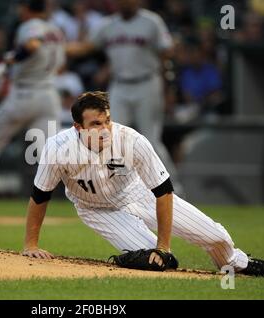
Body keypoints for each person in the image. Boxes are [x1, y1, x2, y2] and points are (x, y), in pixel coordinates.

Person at [21, 91, 264, 277]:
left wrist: (163, 245)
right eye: (96, 124)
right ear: (78, 127)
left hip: (139, 195)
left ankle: (236, 262)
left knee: (216, 236)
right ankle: (135, 258)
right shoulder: (57, 148)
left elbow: (163, 191)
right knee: (155, 262)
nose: (104, 128)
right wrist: (31, 244)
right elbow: (40, 195)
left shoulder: (131, 141)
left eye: (107, 120)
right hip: (96, 209)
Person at [66, 0, 184, 195]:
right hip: (119, 85)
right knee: (110, 139)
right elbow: (86, 47)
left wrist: (168, 88)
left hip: (147, 83)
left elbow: (167, 53)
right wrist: (56, 46)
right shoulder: (108, 25)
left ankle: (174, 192)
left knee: (151, 140)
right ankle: (117, 192)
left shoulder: (151, 21)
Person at [0, 0, 65, 214]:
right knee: (51, 155)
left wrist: (10, 61)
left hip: (24, 95)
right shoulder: (56, 30)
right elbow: (61, 61)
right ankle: (88, 196)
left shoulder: (30, 25)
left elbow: (32, 45)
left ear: (27, 8)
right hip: (49, 96)